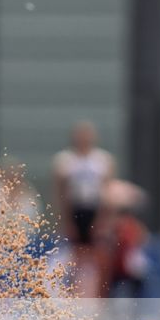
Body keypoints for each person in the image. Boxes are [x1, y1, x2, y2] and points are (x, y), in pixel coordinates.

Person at [52, 121, 114, 296]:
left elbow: (107, 192)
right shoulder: (65, 160)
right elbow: (60, 193)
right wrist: (65, 220)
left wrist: (104, 220)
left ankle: (101, 300)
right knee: (74, 258)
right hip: (75, 210)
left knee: (100, 257)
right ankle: (71, 298)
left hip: (95, 209)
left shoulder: (102, 160)